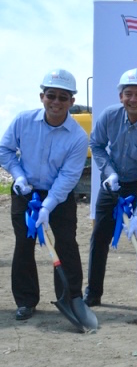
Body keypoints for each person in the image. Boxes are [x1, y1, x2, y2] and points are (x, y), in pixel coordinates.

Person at [0, 69, 88, 320]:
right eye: (52, 95)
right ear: (42, 97)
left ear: (72, 101)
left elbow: (69, 177)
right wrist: (18, 176)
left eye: (63, 97)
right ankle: (26, 301)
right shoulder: (23, 121)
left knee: (66, 244)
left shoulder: (78, 137)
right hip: (25, 192)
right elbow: (4, 150)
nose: (56, 102)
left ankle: (70, 298)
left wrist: (48, 206)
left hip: (58, 196)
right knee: (24, 244)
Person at [83, 68, 137, 318]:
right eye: (128, 93)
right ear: (121, 96)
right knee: (100, 235)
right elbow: (96, 145)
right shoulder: (109, 116)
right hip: (112, 183)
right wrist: (108, 172)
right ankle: (93, 292)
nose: (133, 99)